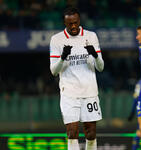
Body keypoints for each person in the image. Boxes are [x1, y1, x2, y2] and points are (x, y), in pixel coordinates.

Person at [49, 7, 104, 150]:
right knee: (72, 132)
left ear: (79, 20)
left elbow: (101, 67)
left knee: (91, 133)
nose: (73, 26)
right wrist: (62, 58)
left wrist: (95, 55)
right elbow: (54, 71)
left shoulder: (91, 36)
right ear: (64, 23)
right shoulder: (56, 39)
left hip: (90, 92)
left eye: (75, 22)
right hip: (69, 93)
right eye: (69, 24)